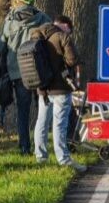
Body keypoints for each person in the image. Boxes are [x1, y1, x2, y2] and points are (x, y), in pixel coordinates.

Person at [0, 0, 51, 154]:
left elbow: (0, 47)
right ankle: (42, 146)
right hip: (40, 71)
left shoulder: (9, 21)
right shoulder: (42, 18)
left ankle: (25, 147)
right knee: (44, 107)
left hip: (18, 72)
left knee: (23, 111)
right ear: (33, 1)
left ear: (17, 1)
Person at [32, 14, 85, 173]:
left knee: (41, 121)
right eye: (69, 29)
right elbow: (72, 60)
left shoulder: (37, 35)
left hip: (43, 88)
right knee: (59, 124)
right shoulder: (62, 37)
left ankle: (40, 157)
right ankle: (63, 158)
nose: (70, 33)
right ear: (65, 26)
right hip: (61, 87)